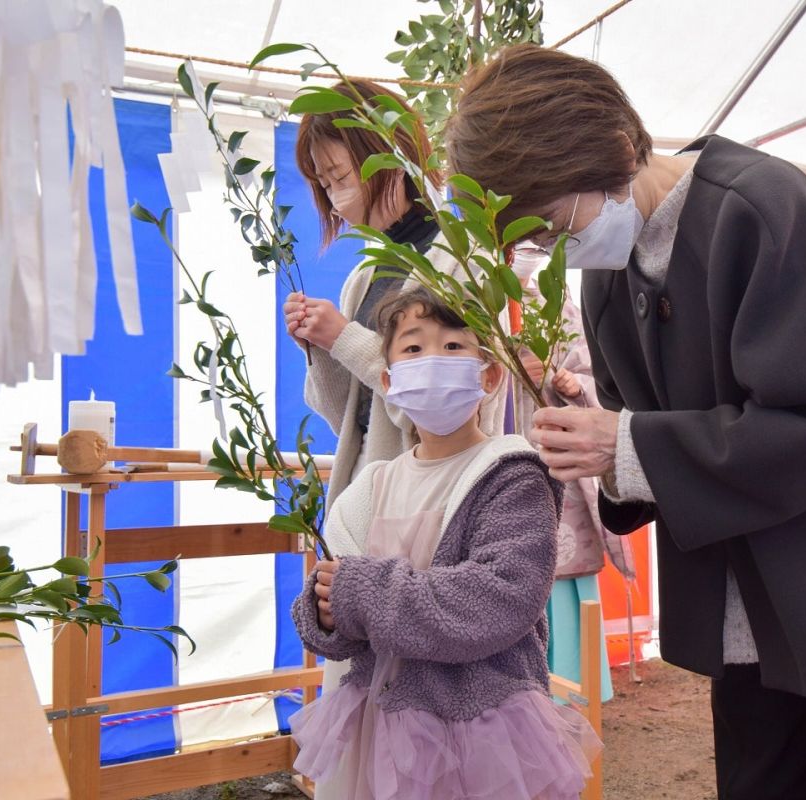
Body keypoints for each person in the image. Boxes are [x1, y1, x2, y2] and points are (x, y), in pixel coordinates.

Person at [444, 44, 806, 799]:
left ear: (614, 146)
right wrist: (596, 438)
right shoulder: (606, 280)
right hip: (754, 618)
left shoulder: (761, 207)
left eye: (551, 221)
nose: (552, 249)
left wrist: (632, 442)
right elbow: (639, 444)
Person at [283, 81, 506, 799]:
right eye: (323, 183)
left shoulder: (452, 259)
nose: (335, 196)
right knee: (364, 700)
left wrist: (345, 338)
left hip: (428, 507)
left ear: (387, 158)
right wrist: (321, 346)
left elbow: (439, 399)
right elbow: (341, 410)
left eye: (340, 176)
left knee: (423, 700)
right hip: (366, 495)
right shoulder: (359, 276)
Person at [289, 287, 601, 799]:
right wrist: (326, 613)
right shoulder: (371, 486)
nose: (433, 359)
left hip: (477, 727)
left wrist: (362, 592)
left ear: (490, 374)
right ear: (387, 380)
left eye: (454, 347)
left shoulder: (510, 472)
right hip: (378, 721)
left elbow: (500, 598)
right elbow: (334, 598)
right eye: (413, 348)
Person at [509, 245, 629, 702]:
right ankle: (520, 698)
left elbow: (596, 376)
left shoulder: (552, 299)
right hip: (502, 455)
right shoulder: (471, 301)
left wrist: (572, 385)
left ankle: (575, 694)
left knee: (563, 579)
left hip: (554, 465)